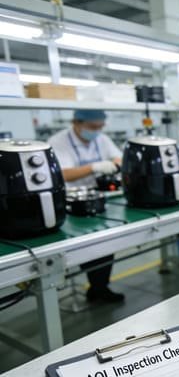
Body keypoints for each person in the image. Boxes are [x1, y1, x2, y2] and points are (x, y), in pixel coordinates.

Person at [48, 110, 124, 303]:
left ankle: (99, 287)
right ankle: (96, 287)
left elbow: (119, 158)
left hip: (97, 197)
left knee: (105, 241)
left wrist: (115, 163)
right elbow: (61, 174)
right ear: (77, 123)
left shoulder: (102, 139)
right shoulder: (58, 142)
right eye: (93, 127)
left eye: (100, 127)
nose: (97, 131)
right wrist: (94, 167)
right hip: (70, 202)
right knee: (87, 246)